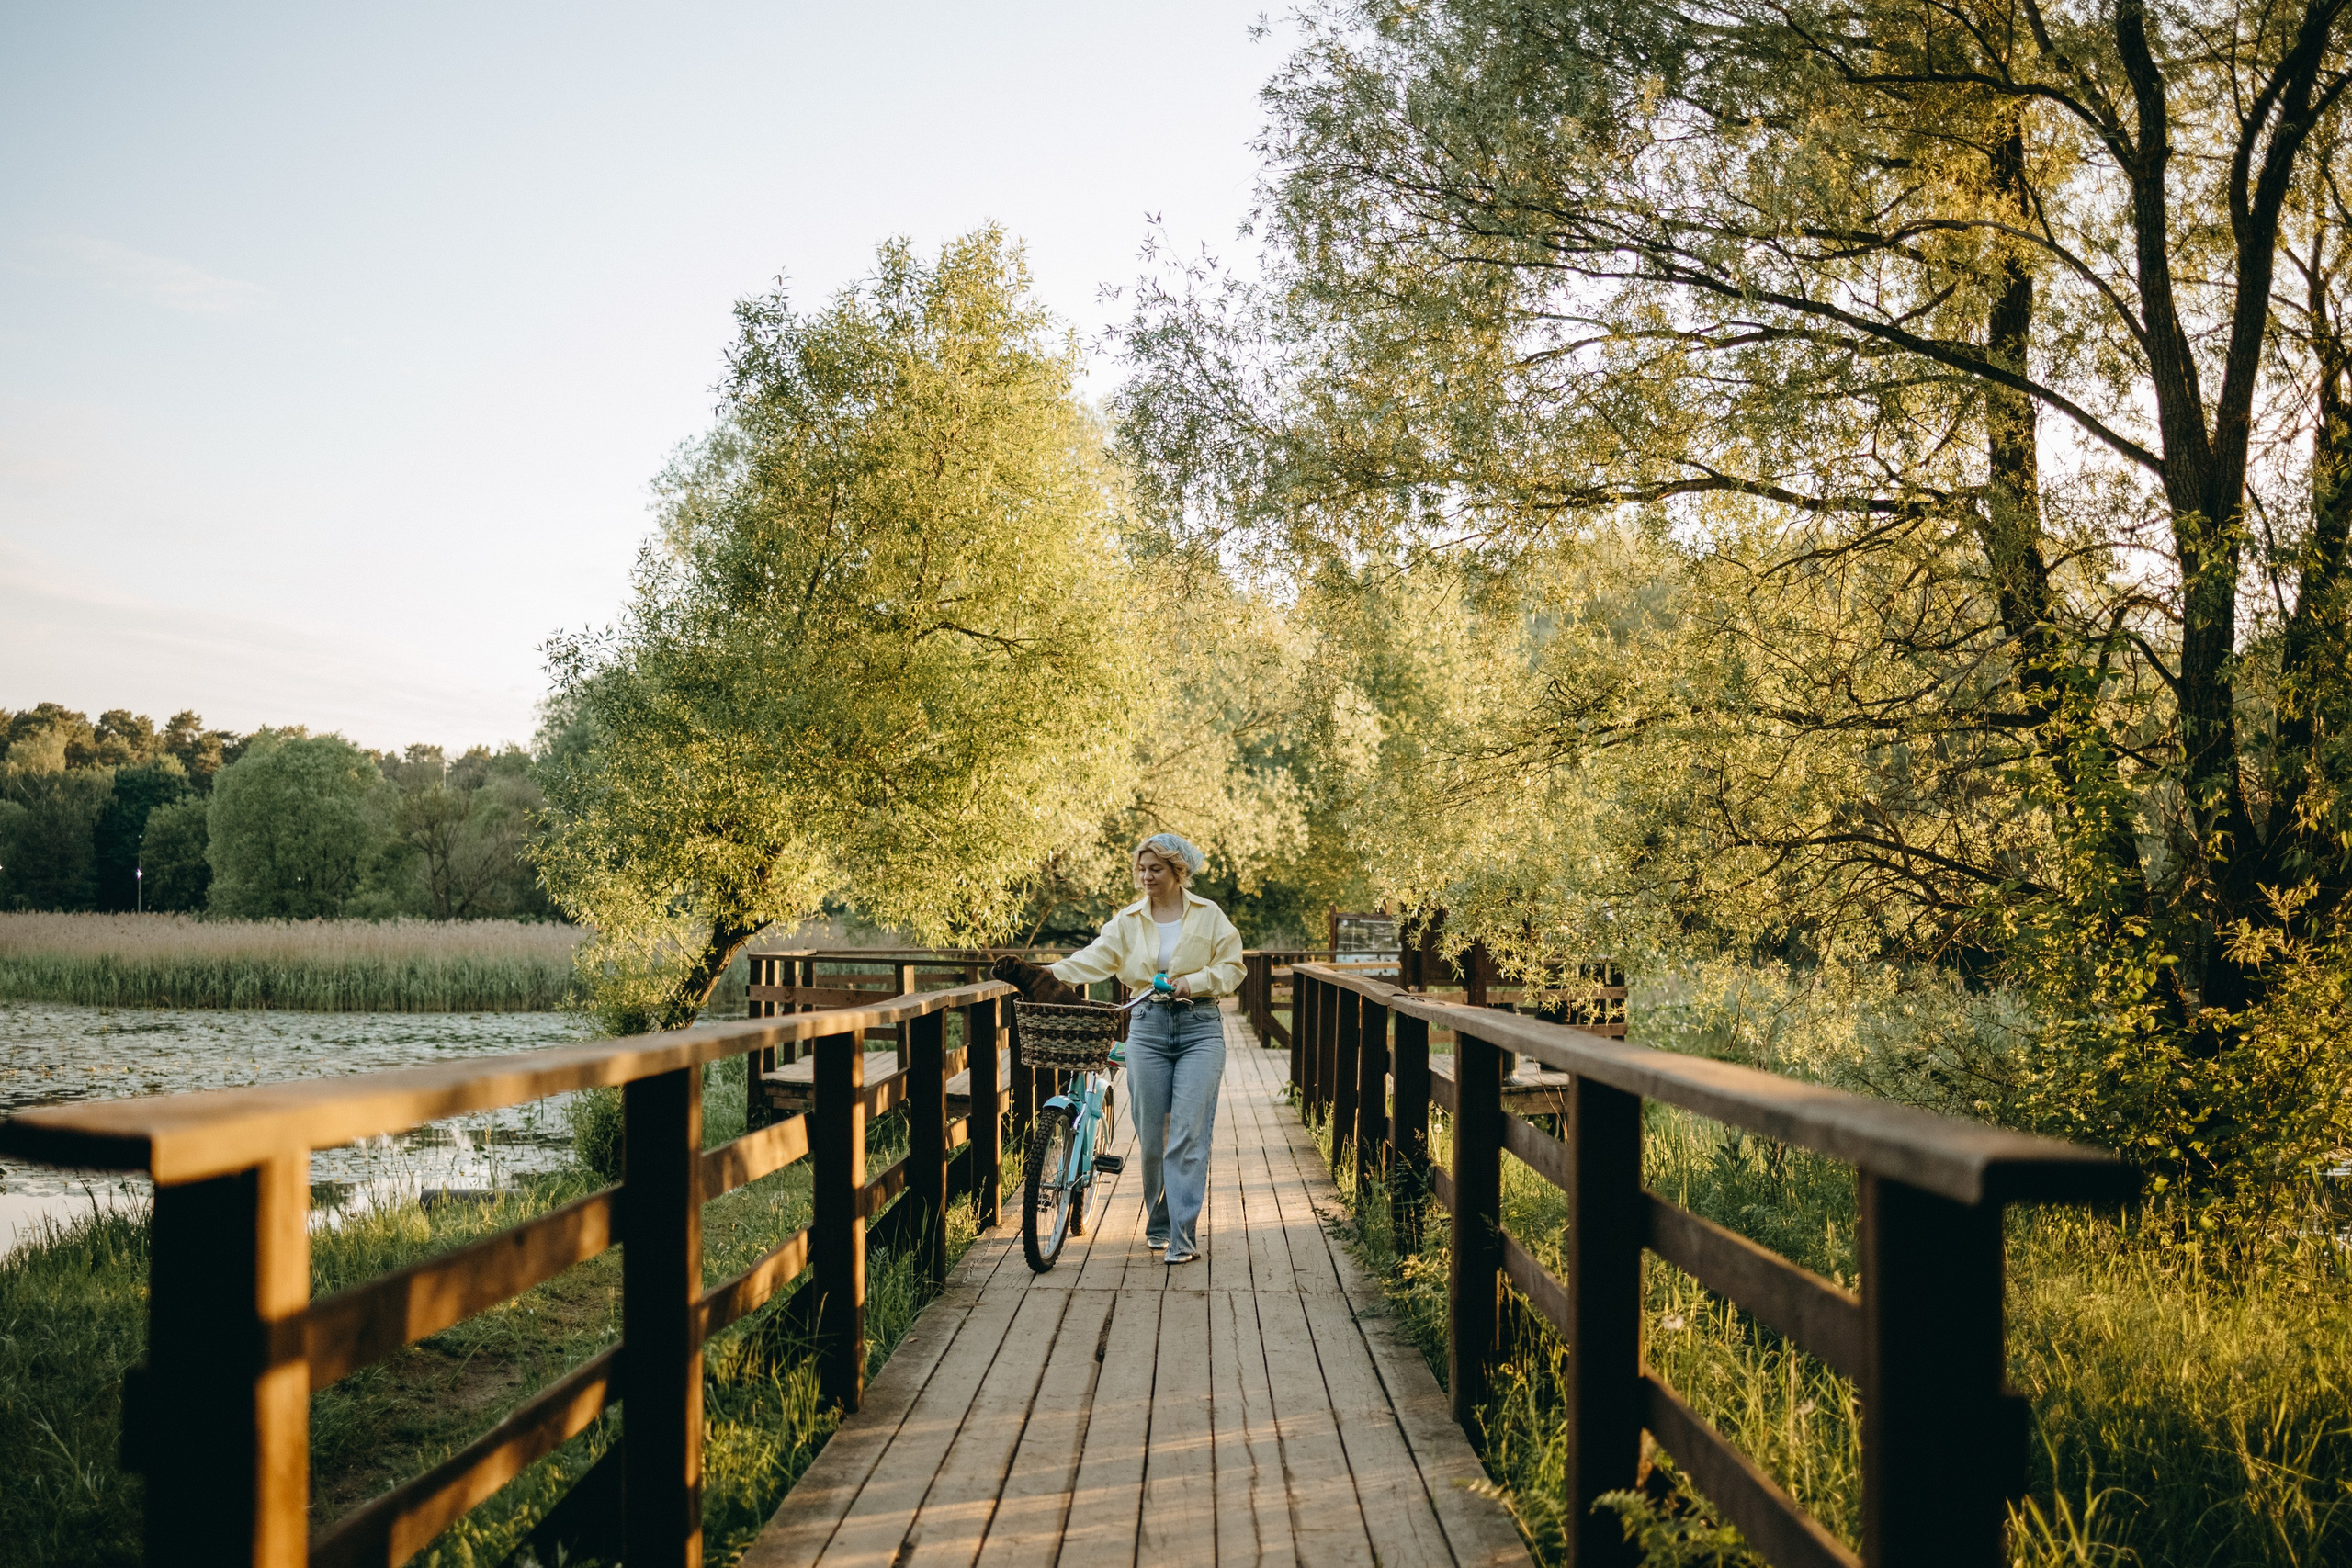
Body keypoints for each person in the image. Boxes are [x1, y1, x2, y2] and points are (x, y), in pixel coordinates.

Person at [1047, 832, 1243, 1264]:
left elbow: (1232, 967)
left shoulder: (1210, 915)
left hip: (1199, 1028)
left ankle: (1182, 1235)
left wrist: (1195, 981)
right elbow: (1093, 958)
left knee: (1187, 1134)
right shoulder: (1128, 920)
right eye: (1141, 868)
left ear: (1178, 871)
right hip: (1148, 1029)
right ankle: (1158, 1224)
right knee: (1153, 1137)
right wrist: (1043, 973)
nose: (1146, 876)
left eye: (1155, 868)